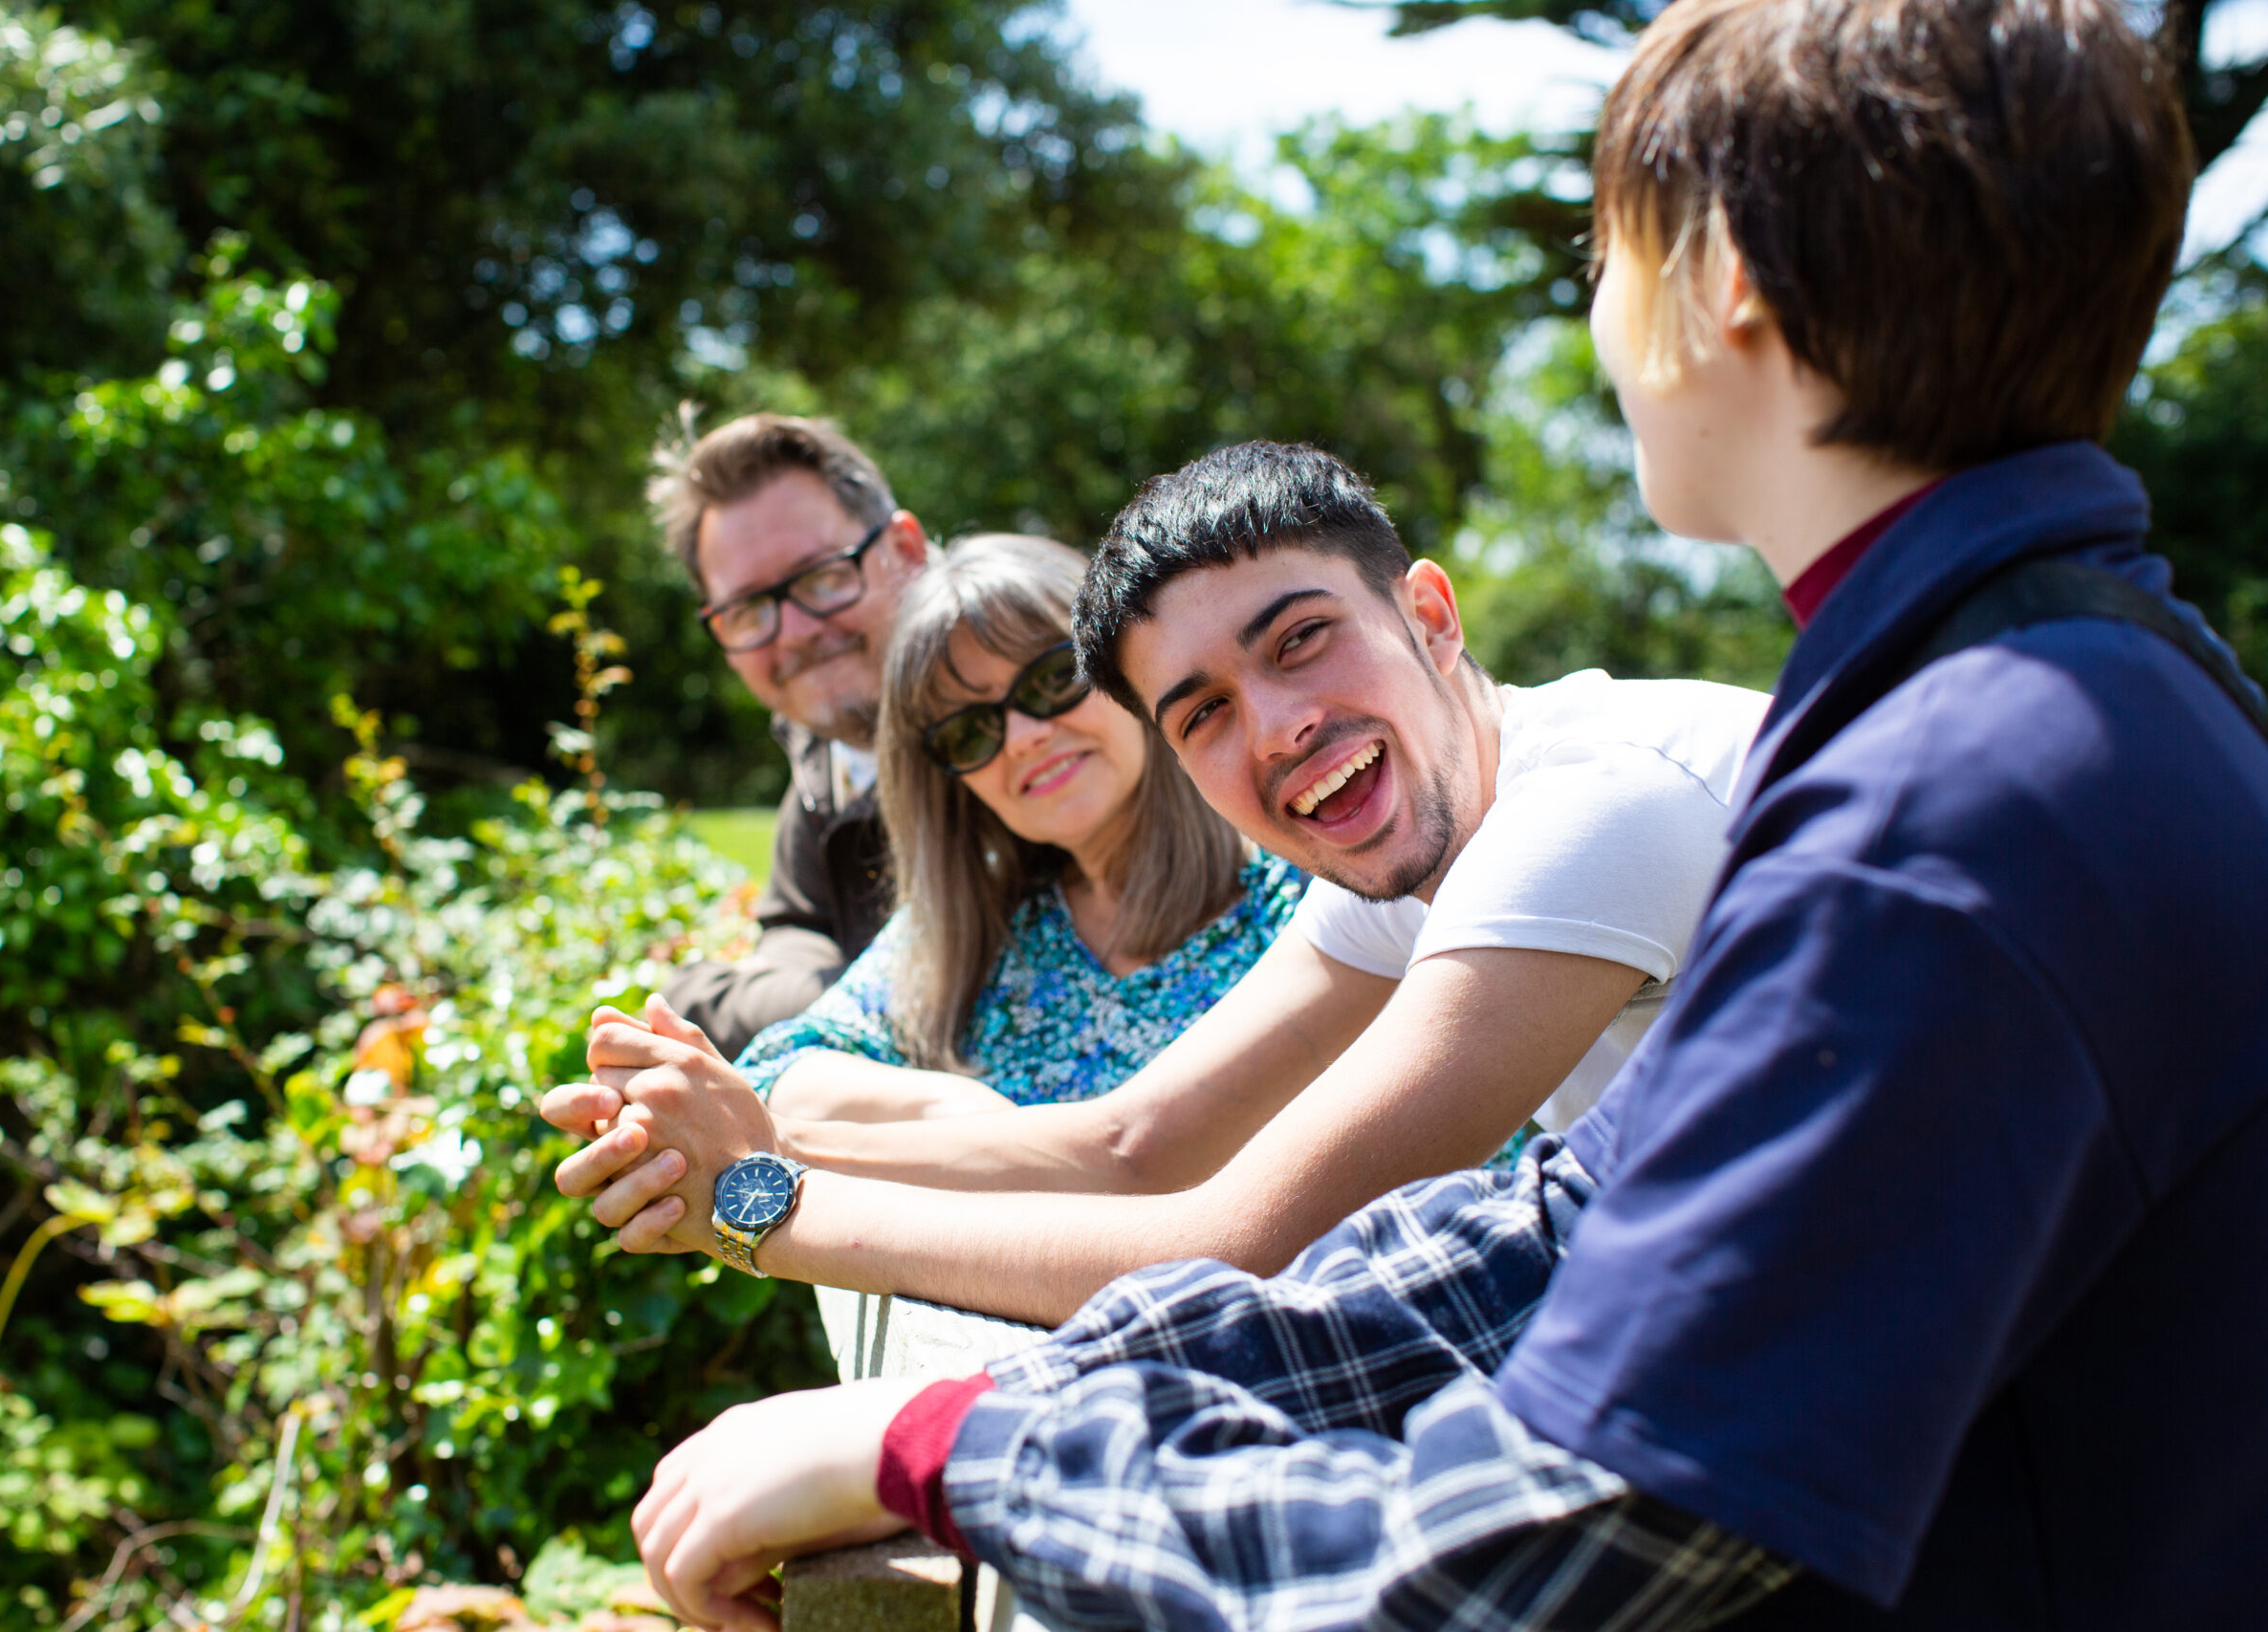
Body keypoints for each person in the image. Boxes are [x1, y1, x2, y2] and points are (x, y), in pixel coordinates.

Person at [618, 2, 2268, 1627]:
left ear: (1727, 285)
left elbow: (1545, 1527)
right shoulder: (2036, 708)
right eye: (1199, 706)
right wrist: (955, 1413)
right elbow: (1531, 1241)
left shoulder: (1941, 818)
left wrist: (951, 1442)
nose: (1596, 316)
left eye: (1607, 251)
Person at [544, 442, 1770, 1327]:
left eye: (1300, 640)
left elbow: (1234, 1245)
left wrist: (759, 1205)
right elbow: (1132, 1146)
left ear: (1431, 615)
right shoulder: (1398, 863)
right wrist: (748, 1139)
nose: (1280, 728)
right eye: (1204, 711)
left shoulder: (1590, 806)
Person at [729, 531, 1307, 1123]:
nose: (1024, 736)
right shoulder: (982, 929)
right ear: (953, 783)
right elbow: (775, 1071)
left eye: (1054, 678)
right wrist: (950, 1107)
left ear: (1128, 670)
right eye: (970, 731)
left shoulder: (1305, 885)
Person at [647, 411, 929, 1059]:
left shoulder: (1015, 722)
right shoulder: (827, 746)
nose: (797, 632)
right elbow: (798, 923)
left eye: (823, 576)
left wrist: (703, 998)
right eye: (750, 608)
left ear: (906, 552)